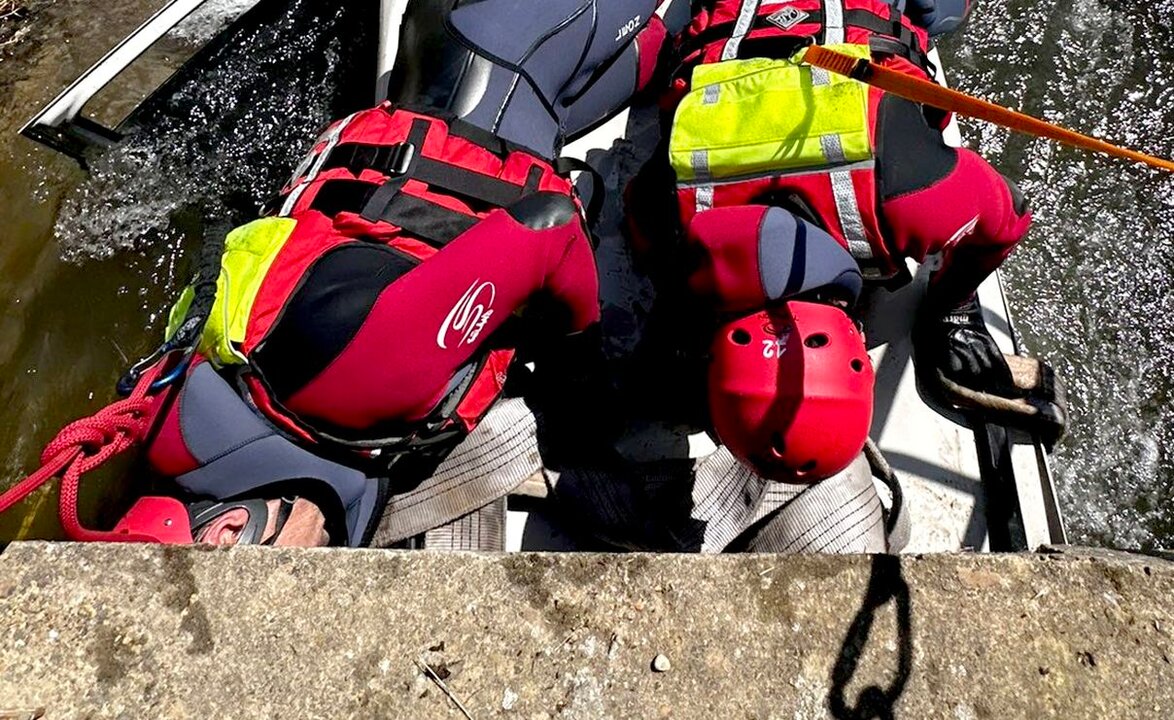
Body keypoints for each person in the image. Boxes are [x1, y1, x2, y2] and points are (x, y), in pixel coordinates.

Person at [103, 0, 680, 547]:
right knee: (667, 41)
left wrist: (579, 353)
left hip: (501, 45)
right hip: (494, 83)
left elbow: (547, 226)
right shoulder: (215, 397)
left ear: (230, 529)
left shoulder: (358, 388)